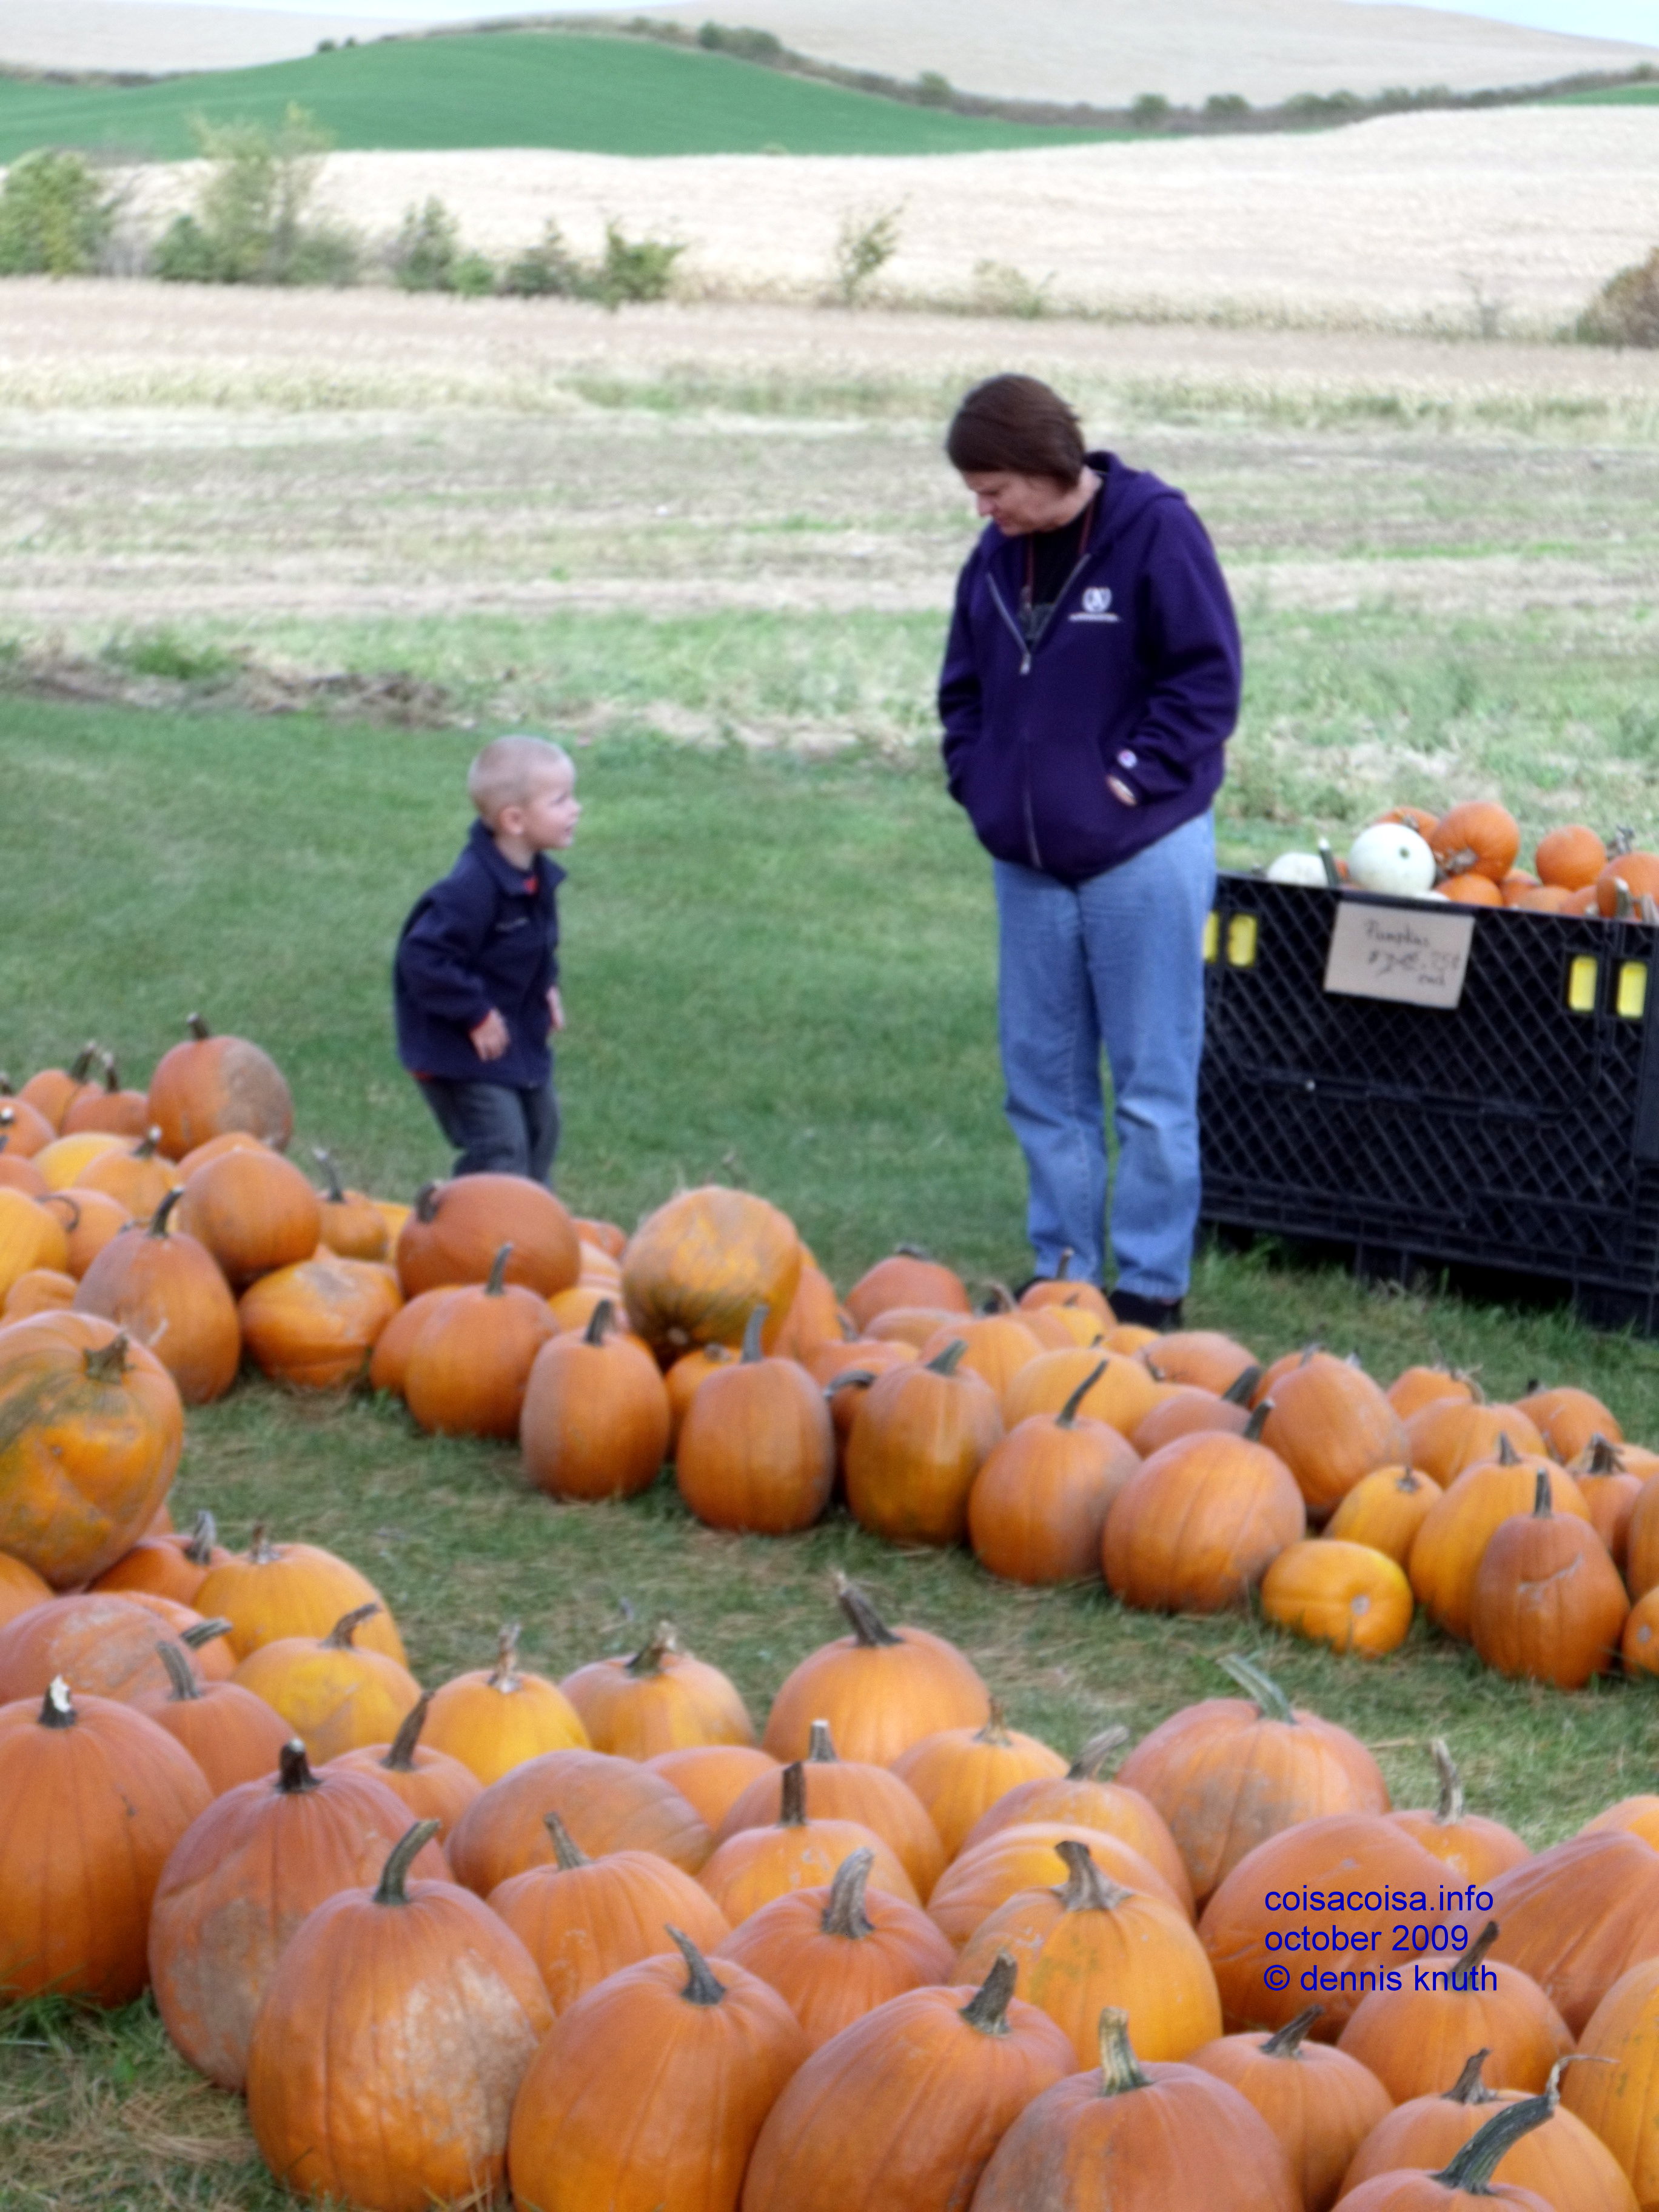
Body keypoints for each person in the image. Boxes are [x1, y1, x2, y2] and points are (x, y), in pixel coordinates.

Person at [937, 374, 1241, 1330]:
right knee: (1043, 1083)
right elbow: (962, 690)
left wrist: (1132, 780)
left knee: (1152, 1082)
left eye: (993, 489)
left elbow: (1206, 680)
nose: (983, 509)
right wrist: (981, 781)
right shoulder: (995, 558)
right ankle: (1063, 1273)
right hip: (1027, 863)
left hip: (1141, 852)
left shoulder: (1156, 531)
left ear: (1042, 466)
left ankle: (1150, 1289)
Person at [394, 732, 579, 1182]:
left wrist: (547, 986)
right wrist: (474, 1013)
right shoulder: (472, 888)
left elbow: (536, 945)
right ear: (514, 819)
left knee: (542, 1131)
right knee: (501, 1147)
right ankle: (468, 1222)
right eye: (560, 801)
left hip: (515, 1040)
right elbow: (423, 956)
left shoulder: (534, 876)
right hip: (460, 1048)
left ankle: (533, 1221)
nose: (576, 809)